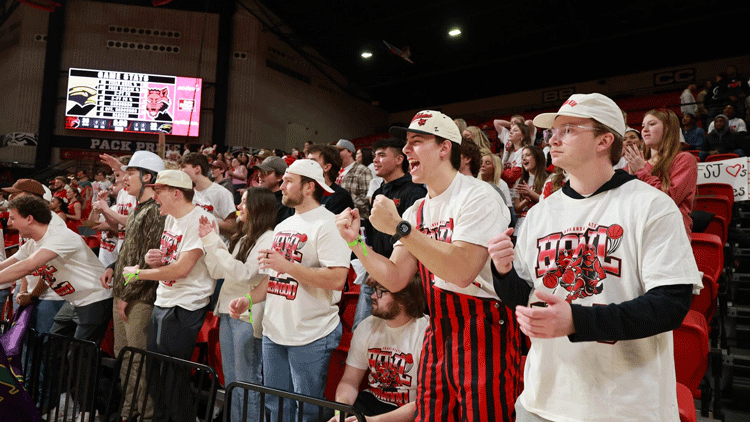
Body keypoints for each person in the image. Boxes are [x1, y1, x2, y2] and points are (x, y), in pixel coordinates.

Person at [489, 93, 702, 422]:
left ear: (605, 140)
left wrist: (577, 321)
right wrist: (503, 273)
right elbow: (526, 299)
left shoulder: (652, 206)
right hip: (542, 401)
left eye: (569, 129)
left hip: (625, 407)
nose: (554, 138)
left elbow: (671, 306)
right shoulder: (540, 214)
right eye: (552, 132)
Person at [336, 110, 519, 422]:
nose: (406, 150)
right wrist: (356, 243)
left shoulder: (478, 195)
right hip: (437, 325)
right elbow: (394, 278)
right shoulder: (418, 207)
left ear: (445, 148)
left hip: (483, 326)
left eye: (416, 142)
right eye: (406, 143)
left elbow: (462, 272)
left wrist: (401, 229)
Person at [232, 159, 350, 422]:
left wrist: (287, 265)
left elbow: (337, 279)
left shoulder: (328, 223)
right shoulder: (284, 225)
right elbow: (274, 277)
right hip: (275, 330)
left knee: (306, 409)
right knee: (274, 405)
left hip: (310, 332)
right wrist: (249, 299)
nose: (282, 186)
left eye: (288, 181)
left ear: (309, 187)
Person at [122, 169, 217, 422]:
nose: (154, 197)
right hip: (164, 299)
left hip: (185, 306)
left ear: (176, 193)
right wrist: (155, 260)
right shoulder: (171, 218)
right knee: (155, 372)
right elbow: (172, 262)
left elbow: (182, 269)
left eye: (159, 191)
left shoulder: (200, 221)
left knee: (173, 375)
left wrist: (138, 274)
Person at [99, 151, 166, 422]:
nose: (125, 179)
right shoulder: (140, 208)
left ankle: (146, 416)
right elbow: (130, 248)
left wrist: (126, 294)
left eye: (131, 173)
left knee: (137, 359)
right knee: (123, 357)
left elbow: (147, 260)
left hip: (140, 296)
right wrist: (113, 267)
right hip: (124, 293)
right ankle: (130, 412)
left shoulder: (157, 211)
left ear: (147, 177)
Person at [199, 187, 276, 422]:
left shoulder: (269, 237)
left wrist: (214, 242)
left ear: (258, 207)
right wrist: (210, 243)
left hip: (248, 316)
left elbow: (244, 274)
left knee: (247, 381)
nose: (238, 207)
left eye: (243, 202)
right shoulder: (243, 237)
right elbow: (217, 270)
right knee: (231, 380)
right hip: (226, 311)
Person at [328, 275, 429, 422]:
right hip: (372, 402)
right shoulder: (367, 326)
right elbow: (349, 382)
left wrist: (372, 421)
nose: (373, 296)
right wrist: (341, 413)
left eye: (381, 292)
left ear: (403, 299)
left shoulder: (427, 333)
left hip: (408, 410)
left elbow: (426, 402)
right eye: (375, 290)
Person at [354, 138, 427, 329]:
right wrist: (371, 266)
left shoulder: (414, 192)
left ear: (399, 159)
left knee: (399, 334)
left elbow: (411, 237)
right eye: (374, 155)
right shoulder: (378, 192)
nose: (375, 160)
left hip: (402, 275)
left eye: (382, 155)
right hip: (374, 269)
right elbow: (369, 235)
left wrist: (385, 270)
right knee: (361, 328)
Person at [623, 109, 698, 236]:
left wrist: (641, 172)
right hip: (638, 232)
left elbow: (668, 199)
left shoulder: (684, 159)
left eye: (651, 124)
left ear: (668, 128)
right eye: (643, 126)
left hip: (670, 234)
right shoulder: (636, 164)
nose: (645, 130)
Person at [179, 152, 237, 238]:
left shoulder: (222, 193)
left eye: (183, 167)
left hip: (215, 248)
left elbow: (232, 227)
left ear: (197, 169)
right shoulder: (189, 192)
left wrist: (204, 219)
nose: (179, 171)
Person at [306, 143, 356, 215]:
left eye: (312, 161)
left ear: (326, 167)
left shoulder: (341, 197)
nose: (306, 164)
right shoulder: (303, 192)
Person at [513, 146, 548, 232]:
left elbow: (548, 202)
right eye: (522, 157)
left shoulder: (548, 179)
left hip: (539, 226)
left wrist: (530, 193)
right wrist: (526, 201)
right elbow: (516, 208)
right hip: (521, 227)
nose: (524, 159)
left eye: (527, 155)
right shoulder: (520, 181)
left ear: (538, 158)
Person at [336, 139, 373, 218]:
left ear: (350, 152)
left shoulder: (362, 170)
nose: (337, 153)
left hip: (356, 218)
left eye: (340, 150)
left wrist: (344, 206)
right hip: (339, 217)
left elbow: (366, 197)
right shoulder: (336, 171)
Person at [254, 155, 294, 224]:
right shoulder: (259, 197)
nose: (259, 175)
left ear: (279, 177)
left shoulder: (285, 204)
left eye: (265, 172)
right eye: (259, 171)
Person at [501, 122, 532, 188]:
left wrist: (497, 172)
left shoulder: (524, 151)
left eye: (515, 130)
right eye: (511, 130)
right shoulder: (510, 152)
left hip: (517, 192)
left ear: (522, 136)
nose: (510, 132)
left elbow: (513, 176)